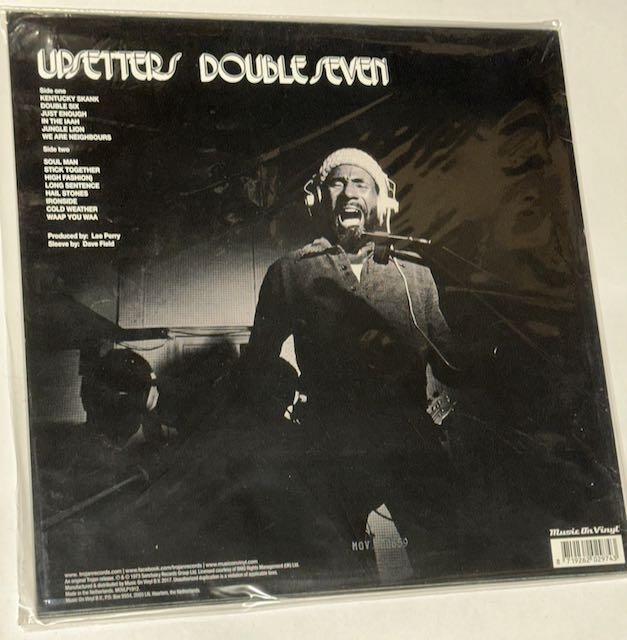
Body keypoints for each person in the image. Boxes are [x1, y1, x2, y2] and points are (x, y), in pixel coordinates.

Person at [243, 148, 464, 581]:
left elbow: (451, 361)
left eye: (360, 183)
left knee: (443, 559)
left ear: (382, 200)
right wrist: (285, 413)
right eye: (337, 183)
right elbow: (257, 365)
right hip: (330, 448)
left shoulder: (415, 273)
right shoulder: (289, 272)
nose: (348, 192)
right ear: (318, 199)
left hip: (410, 443)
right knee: (340, 571)